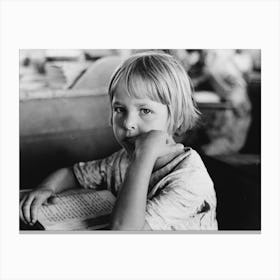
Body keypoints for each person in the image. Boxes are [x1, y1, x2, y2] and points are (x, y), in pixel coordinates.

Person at [20, 51, 218, 230]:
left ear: (177, 117)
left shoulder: (190, 179)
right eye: (119, 110)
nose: (129, 123)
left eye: (145, 111)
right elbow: (74, 173)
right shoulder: (120, 160)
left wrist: (143, 157)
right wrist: (47, 188)